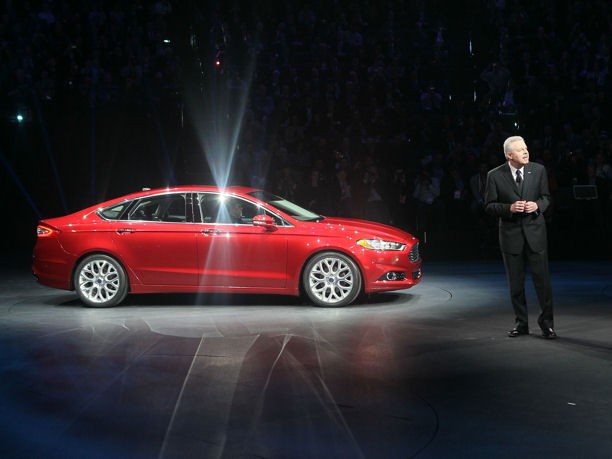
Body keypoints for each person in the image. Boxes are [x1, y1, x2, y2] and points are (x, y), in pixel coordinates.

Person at [484, 136, 556, 339]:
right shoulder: (495, 175)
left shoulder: (538, 170)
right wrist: (510, 208)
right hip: (511, 236)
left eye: (526, 148)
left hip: (535, 233)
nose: (526, 152)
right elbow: (489, 206)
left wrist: (538, 206)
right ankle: (521, 323)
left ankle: (547, 324)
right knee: (516, 284)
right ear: (509, 155)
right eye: (520, 150)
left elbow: (546, 198)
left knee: (543, 282)